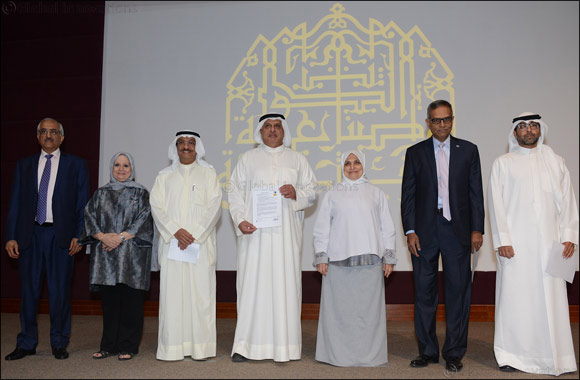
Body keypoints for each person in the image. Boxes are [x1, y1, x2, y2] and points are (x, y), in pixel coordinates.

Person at [487, 112, 578, 375]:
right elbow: (496, 204)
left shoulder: (556, 162)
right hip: (515, 246)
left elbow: (568, 201)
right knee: (514, 299)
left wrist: (569, 234)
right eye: (523, 126)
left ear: (540, 130)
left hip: (550, 244)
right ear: (515, 133)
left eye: (533, 126)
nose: (529, 130)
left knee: (551, 300)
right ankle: (511, 355)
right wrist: (502, 239)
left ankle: (555, 356)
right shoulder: (503, 163)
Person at [400, 100, 484, 373]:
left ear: (452, 119)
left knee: (458, 293)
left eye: (446, 119)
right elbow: (408, 195)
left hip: (457, 230)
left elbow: (475, 193)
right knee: (424, 293)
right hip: (424, 232)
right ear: (428, 123)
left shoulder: (469, 151)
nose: (442, 124)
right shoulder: (415, 152)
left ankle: (454, 353)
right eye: (436, 120)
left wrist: (476, 229)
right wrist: (410, 230)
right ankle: (427, 351)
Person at [228, 113, 318, 362]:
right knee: (252, 286)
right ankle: (246, 347)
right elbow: (234, 192)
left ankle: (284, 348)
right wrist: (240, 220)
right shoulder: (248, 159)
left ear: (284, 130)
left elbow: (312, 191)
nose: (272, 130)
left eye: (277, 126)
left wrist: (296, 192)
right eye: (267, 126)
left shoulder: (297, 159)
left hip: (285, 238)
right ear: (260, 131)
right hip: (254, 235)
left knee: (284, 285)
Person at [4, 118, 90, 361]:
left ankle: (59, 342)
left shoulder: (77, 165)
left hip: (61, 237)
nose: (49, 135)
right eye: (44, 131)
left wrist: (80, 234)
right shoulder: (24, 165)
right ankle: (27, 343)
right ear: (38, 136)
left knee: (60, 292)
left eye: (54, 132)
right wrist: (10, 236)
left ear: (62, 137)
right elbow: (15, 203)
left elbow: (83, 203)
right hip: (29, 236)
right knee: (29, 293)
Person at [312, 149, 397, 367]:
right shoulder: (332, 193)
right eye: (347, 163)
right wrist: (321, 255)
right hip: (337, 263)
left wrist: (389, 256)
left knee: (368, 313)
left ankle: (370, 356)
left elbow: (387, 227)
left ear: (364, 165)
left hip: (371, 262)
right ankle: (337, 356)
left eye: (356, 162)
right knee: (339, 313)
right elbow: (322, 228)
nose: (352, 167)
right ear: (342, 167)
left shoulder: (376, 193)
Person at [150, 131, 222, 361]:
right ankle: (172, 348)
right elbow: (156, 207)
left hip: (200, 245)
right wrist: (175, 230)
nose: (186, 147)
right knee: (173, 296)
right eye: (181, 143)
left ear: (198, 147)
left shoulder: (209, 174)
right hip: (172, 244)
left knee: (201, 295)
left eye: (191, 143)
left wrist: (195, 234)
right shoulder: (164, 176)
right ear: (175, 147)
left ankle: (201, 348)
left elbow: (215, 206)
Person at [79, 152, 154, 361]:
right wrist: (103, 237)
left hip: (132, 257)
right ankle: (108, 346)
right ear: (112, 168)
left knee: (132, 303)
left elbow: (144, 219)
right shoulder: (100, 193)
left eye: (126, 166)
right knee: (110, 303)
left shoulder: (141, 193)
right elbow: (89, 216)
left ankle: (128, 346)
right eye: (117, 165)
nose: (121, 169)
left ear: (132, 169)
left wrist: (119, 237)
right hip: (106, 256)